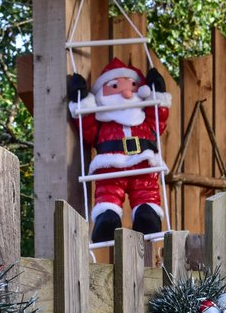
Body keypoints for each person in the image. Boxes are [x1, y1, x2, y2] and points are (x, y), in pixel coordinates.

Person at [68, 57, 172, 242]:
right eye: (115, 87)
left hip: (143, 165)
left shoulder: (146, 119)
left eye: (132, 85)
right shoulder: (101, 123)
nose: (126, 94)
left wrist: (158, 93)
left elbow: (159, 118)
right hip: (110, 167)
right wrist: (81, 99)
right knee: (107, 194)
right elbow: (87, 126)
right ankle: (106, 219)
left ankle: (147, 216)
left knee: (147, 193)